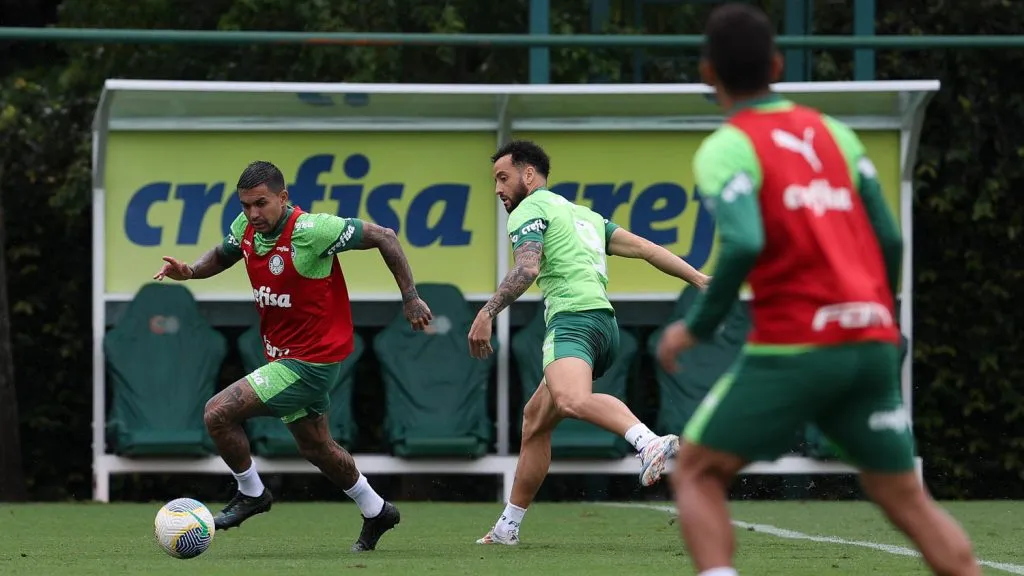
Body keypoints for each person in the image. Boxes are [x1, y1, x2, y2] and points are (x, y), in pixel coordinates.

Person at [655, 4, 979, 576]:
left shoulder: (727, 147)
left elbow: (745, 243)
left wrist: (696, 327)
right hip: (873, 341)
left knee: (698, 471)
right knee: (906, 498)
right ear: (777, 63)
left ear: (707, 73)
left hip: (796, 349)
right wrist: (875, 310)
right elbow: (890, 240)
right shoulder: (835, 133)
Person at [153, 160, 432, 552]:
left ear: (283, 198)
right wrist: (191, 271)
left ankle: (252, 493)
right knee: (316, 447)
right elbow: (222, 254)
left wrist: (410, 297)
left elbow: (385, 236)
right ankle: (377, 509)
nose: (253, 214)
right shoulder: (247, 228)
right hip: (284, 359)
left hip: (311, 363)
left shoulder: (312, 230)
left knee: (217, 413)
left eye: (261, 204)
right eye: (246, 205)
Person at [468, 140, 710, 545]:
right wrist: (700, 279)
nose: (498, 189)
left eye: (503, 178)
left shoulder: (530, 209)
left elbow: (527, 268)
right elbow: (647, 249)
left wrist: (487, 312)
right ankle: (507, 527)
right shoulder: (584, 215)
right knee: (534, 422)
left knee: (570, 400)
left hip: (573, 321)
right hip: (604, 325)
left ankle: (649, 442)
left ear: (529, 175)